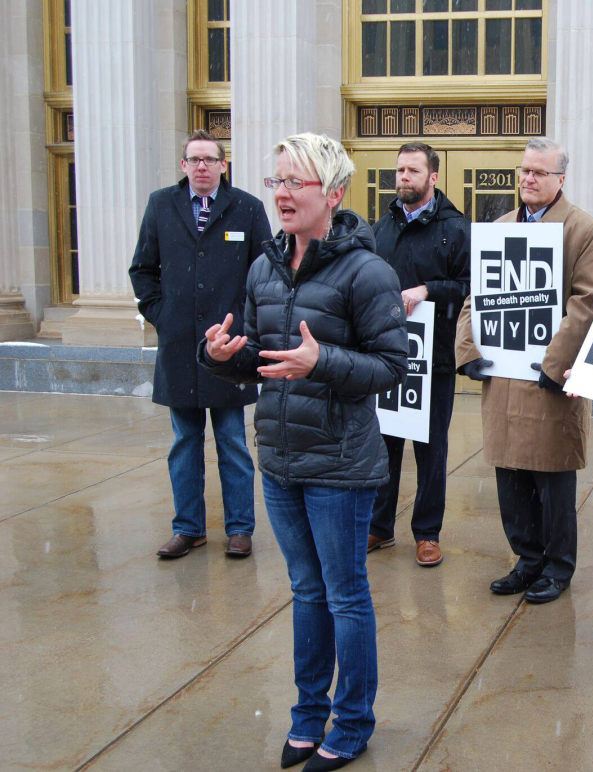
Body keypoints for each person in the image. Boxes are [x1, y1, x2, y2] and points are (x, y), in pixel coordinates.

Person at [198, 133, 407, 771]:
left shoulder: (367, 271)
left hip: (341, 464)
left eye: (295, 182)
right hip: (281, 460)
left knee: (345, 595)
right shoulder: (263, 266)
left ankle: (353, 721)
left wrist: (325, 361)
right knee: (306, 591)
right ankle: (307, 714)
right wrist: (222, 359)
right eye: (276, 181)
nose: (282, 194)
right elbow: (262, 363)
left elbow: (392, 365)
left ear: (334, 194)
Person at [455, 137, 593, 605]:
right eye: (524, 171)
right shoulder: (500, 227)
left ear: (561, 178)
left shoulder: (583, 229)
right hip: (503, 376)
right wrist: (468, 350)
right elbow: (475, 296)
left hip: (548, 379)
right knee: (510, 475)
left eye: (539, 172)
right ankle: (526, 559)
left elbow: (588, 302)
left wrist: (555, 364)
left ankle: (557, 567)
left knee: (552, 476)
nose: (528, 179)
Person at [129, 129, 273, 559]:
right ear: (183, 166)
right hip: (179, 349)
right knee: (184, 443)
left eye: (210, 159)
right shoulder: (161, 205)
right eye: (194, 160)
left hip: (230, 350)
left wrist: (247, 330)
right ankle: (188, 528)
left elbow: (263, 273)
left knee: (232, 441)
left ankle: (240, 529)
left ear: (223, 165)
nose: (202, 167)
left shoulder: (247, 208)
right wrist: (163, 317)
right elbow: (143, 269)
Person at [367, 142, 470, 567]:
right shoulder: (380, 228)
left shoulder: (456, 228)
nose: (403, 177)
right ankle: (379, 525)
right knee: (384, 443)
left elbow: (469, 287)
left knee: (431, 449)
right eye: (399, 170)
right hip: (387, 356)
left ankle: (427, 533)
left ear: (433, 177)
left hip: (436, 360)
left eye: (412, 170)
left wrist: (429, 289)